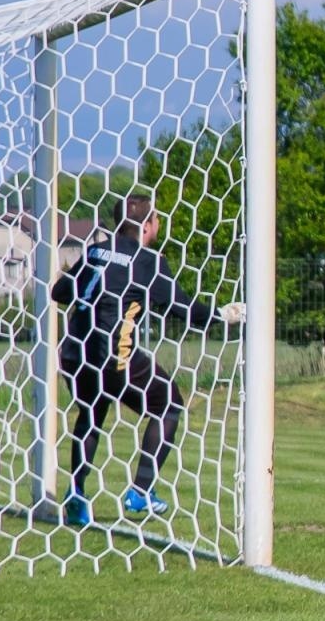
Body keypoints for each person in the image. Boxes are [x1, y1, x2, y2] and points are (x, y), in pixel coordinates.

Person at [50, 194, 246, 527]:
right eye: (157, 219)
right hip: (113, 354)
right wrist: (221, 314)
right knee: (168, 402)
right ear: (146, 225)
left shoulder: (95, 250)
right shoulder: (147, 261)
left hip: (74, 353)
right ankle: (141, 490)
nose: (159, 225)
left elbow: (59, 293)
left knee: (91, 414)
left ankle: (77, 495)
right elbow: (180, 307)